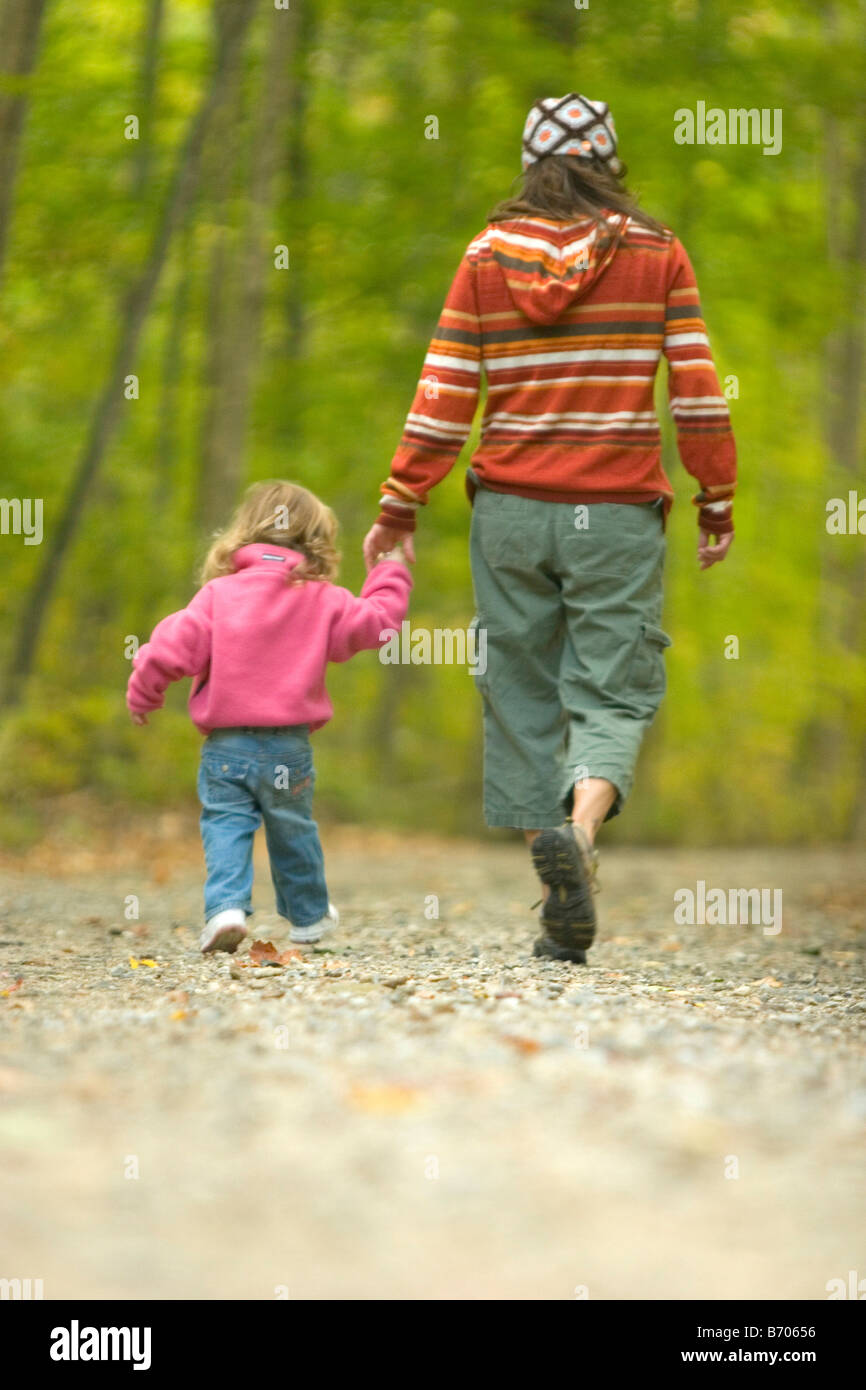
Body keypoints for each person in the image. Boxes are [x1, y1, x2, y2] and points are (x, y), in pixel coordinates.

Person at [363, 94, 736, 964]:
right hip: (615, 510)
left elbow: (445, 389)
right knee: (610, 688)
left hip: (511, 513)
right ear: (611, 161)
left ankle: (552, 892)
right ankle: (584, 834)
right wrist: (715, 495)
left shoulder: (485, 256)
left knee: (521, 693)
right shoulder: (658, 254)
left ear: (531, 163)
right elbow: (697, 389)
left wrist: (400, 501)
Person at [128, 480, 411, 954]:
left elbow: (171, 648)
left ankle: (226, 911)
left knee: (225, 823)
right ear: (315, 540)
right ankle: (309, 918)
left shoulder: (218, 594)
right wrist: (391, 569)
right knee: (292, 827)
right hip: (288, 747)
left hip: (227, 747)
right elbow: (380, 625)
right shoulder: (324, 599)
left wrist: (144, 694)